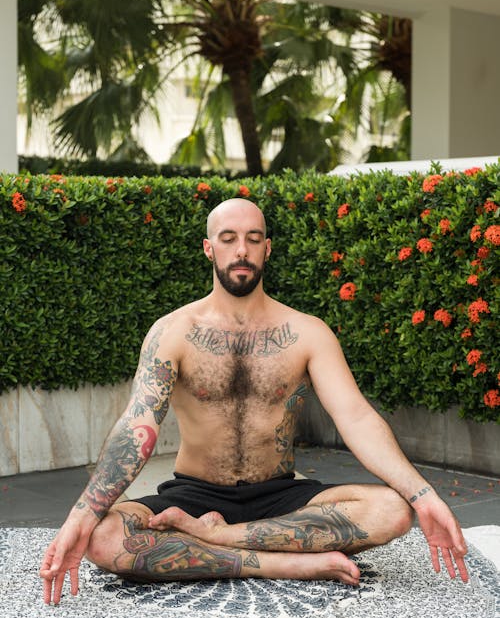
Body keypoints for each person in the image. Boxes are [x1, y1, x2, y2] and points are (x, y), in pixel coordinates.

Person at [40, 198, 469, 605]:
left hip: (281, 495)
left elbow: (355, 416)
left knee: (392, 511)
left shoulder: (307, 332)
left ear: (268, 248)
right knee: (102, 537)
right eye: (228, 238)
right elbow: (140, 424)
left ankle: (221, 539)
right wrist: (85, 510)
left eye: (253, 238)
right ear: (209, 249)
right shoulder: (172, 331)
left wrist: (423, 495)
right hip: (193, 494)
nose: (241, 250)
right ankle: (276, 562)